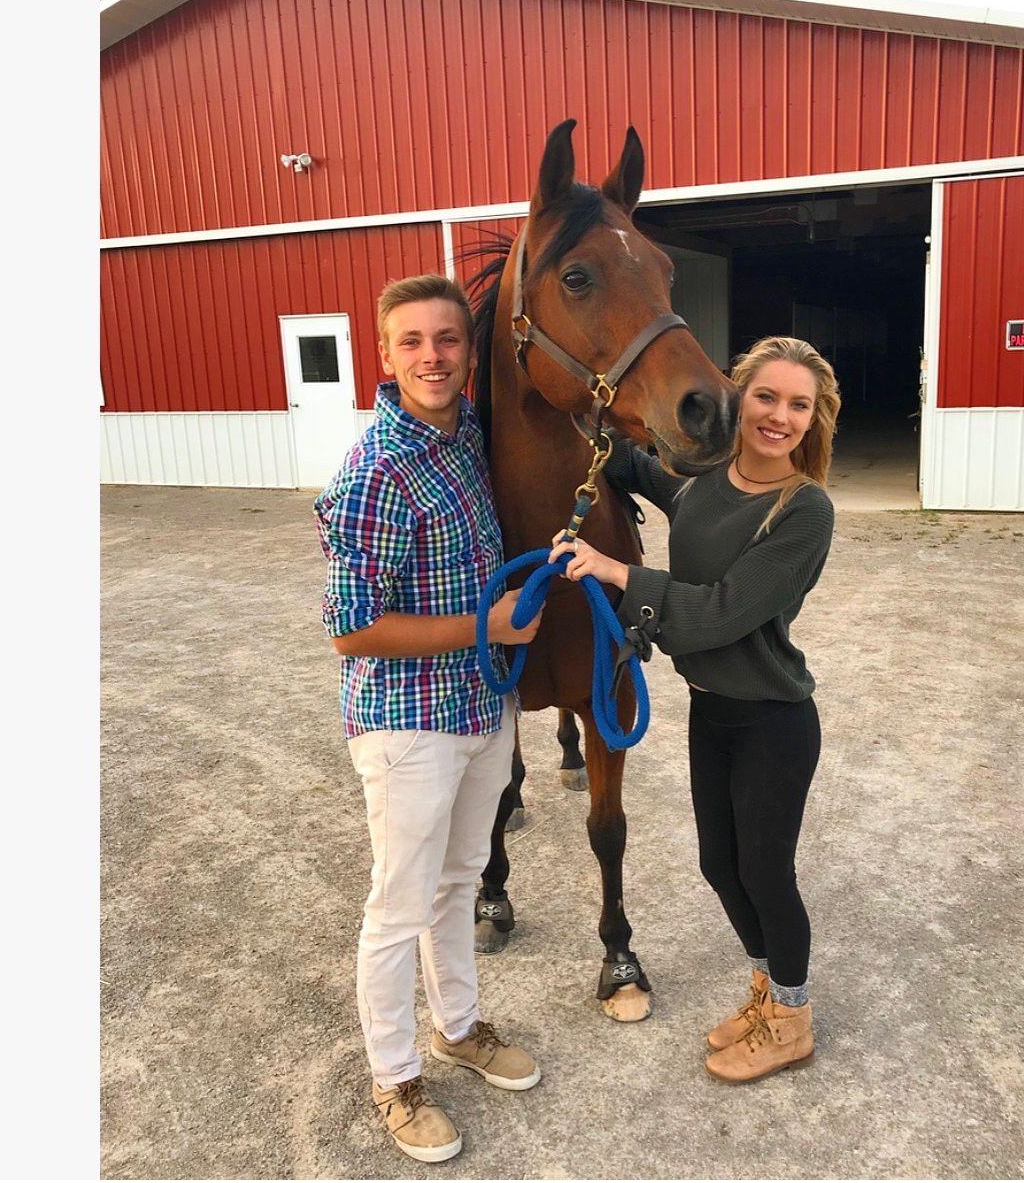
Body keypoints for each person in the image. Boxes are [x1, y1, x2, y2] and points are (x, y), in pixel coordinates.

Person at [549, 336, 840, 1083]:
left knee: (766, 873)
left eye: (797, 405)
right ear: (738, 398)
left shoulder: (804, 510)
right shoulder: (705, 479)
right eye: (766, 397)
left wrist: (617, 570)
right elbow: (629, 462)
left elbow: (718, 614)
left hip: (773, 721)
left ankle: (793, 1019)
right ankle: (766, 990)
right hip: (713, 716)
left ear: (814, 419)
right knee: (720, 865)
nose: (778, 416)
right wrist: (582, 402)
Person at [314, 274, 543, 1162]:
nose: (432, 357)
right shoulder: (373, 470)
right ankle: (396, 1077)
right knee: (399, 904)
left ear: (467, 351)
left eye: (447, 339)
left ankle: (458, 1028)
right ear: (385, 354)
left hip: (483, 704)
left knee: (460, 879)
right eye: (411, 341)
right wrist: (488, 627)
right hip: (409, 722)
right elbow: (352, 628)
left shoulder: (466, 435)